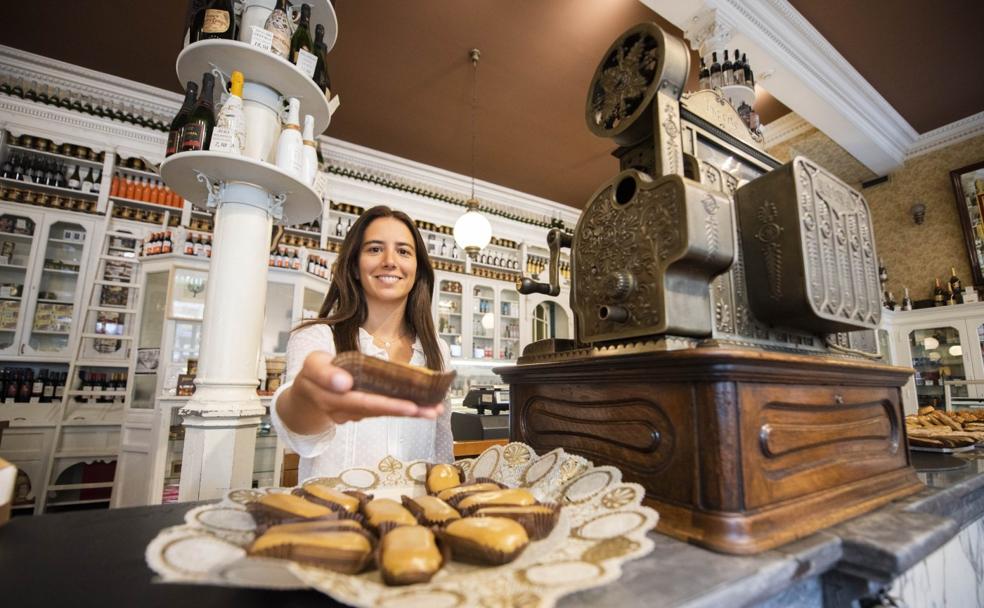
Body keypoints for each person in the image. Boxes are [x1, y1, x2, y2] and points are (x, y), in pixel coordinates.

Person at [270, 205, 453, 482]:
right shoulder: (319, 339)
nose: (390, 261)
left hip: (413, 518)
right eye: (375, 249)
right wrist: (308, 398)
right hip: (336, 519)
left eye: (403, 251)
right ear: (355, 266)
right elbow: (301, 435)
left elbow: (442, 453)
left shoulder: (437, 351)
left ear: (417, 270)